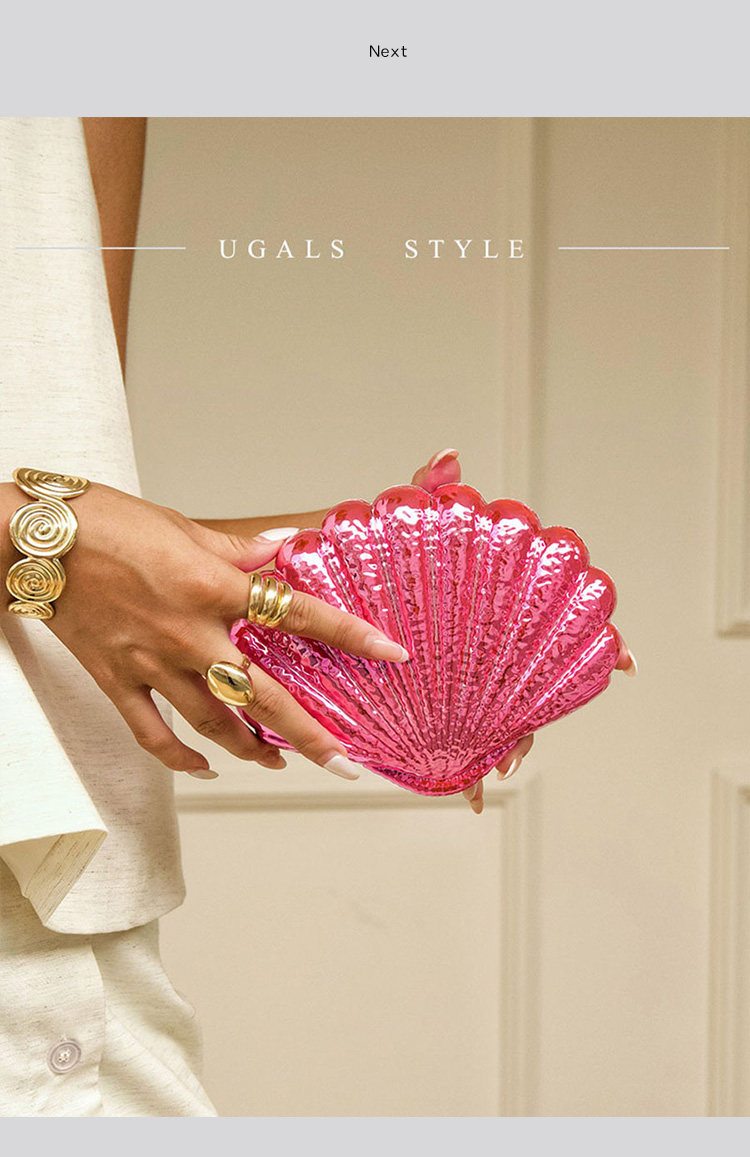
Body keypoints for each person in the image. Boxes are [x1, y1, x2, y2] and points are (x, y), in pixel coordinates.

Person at [0, 117, 635, 1117]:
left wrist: (370, 574)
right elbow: (54, 532)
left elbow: (74, 493)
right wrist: (36, 541)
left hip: (78, 927)